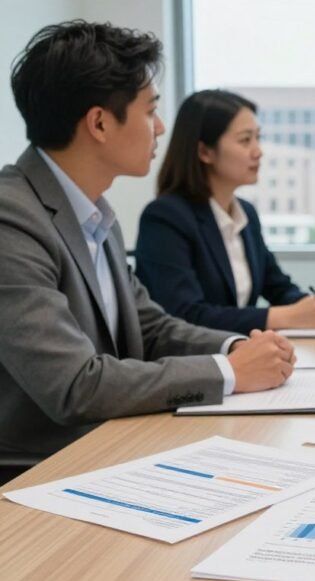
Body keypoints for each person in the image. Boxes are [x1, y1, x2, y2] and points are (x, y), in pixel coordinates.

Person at [0, 21, 295, 474]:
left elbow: (151, 328)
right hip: (38, 473)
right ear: (99, 122)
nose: (159, 128)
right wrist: (230, 372)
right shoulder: (11, 218)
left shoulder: (95, 214)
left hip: (112, 446)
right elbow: (75, 385)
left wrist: (240, 347)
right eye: (150, 110)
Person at [135, 90, 315, 334]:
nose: (258, 151)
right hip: (194, 364)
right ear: (205, 152)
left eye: (258, 138)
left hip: (242, 357)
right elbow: (185, 314)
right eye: (245, 140)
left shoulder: (246, 214)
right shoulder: (165, 218)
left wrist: (311, 305)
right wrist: (284, 316)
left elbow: (277, 286)